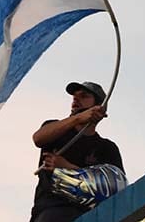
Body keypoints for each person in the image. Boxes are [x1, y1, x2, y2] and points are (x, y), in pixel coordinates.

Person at [29, 81, 124, 222]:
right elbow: (38, 138)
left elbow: (115, 187)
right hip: (52, 210)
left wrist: (67, 167)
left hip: (92, 214)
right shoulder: (57, 128)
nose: (76, 100)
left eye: (84, 96)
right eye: (74, 97)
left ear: (100, 107)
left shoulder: (107, 147)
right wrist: (77, 118)